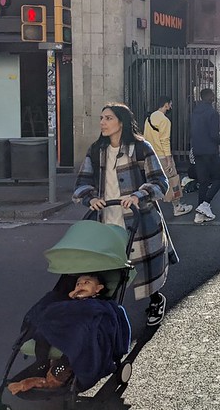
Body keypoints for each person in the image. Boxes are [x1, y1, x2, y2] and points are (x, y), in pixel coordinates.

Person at [73, 102, 170, 325]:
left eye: (108, 118)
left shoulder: (141, 148)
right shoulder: (96, 150)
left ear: (121, 122)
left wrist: (139, 195)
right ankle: (106, 314)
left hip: (139, 219)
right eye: (101, 118)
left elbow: (160, 182)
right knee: (106, 270)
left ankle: (155, 299)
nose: (102, 123)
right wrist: (91, 197)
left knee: (144, 267)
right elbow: (81, 183)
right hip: (105, 220)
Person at [6, 273, 130, 395]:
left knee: (82, 332)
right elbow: (53, 313)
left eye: (87, 282)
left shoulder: (100, 304)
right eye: (78, 283)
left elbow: (102, 318)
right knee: (45, 325)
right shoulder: (69, 302)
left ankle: (55, 374)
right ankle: (42, 363)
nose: (81, 285)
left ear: (98, 288)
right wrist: (69, 300)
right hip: (62, 332)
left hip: (78, 334)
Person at [143, 95, 192, 217]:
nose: (171, 106)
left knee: (152, 182)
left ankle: (151, 207)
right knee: (173, 180)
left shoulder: (149, 118)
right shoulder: (164, 120)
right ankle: (177, 206)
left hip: (150, 155)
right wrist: (169, 159)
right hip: (162, 156)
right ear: (166, 105)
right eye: (170, 104)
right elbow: (165, 140)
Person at [190, 88, 220, 223]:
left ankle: (200, 213)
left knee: (203, 182)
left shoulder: (194, 113)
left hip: (198, 150)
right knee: (219, 178)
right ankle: (205, 204)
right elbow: (214, 134)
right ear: (211, 98)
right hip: (210, 151)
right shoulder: (212, 113)